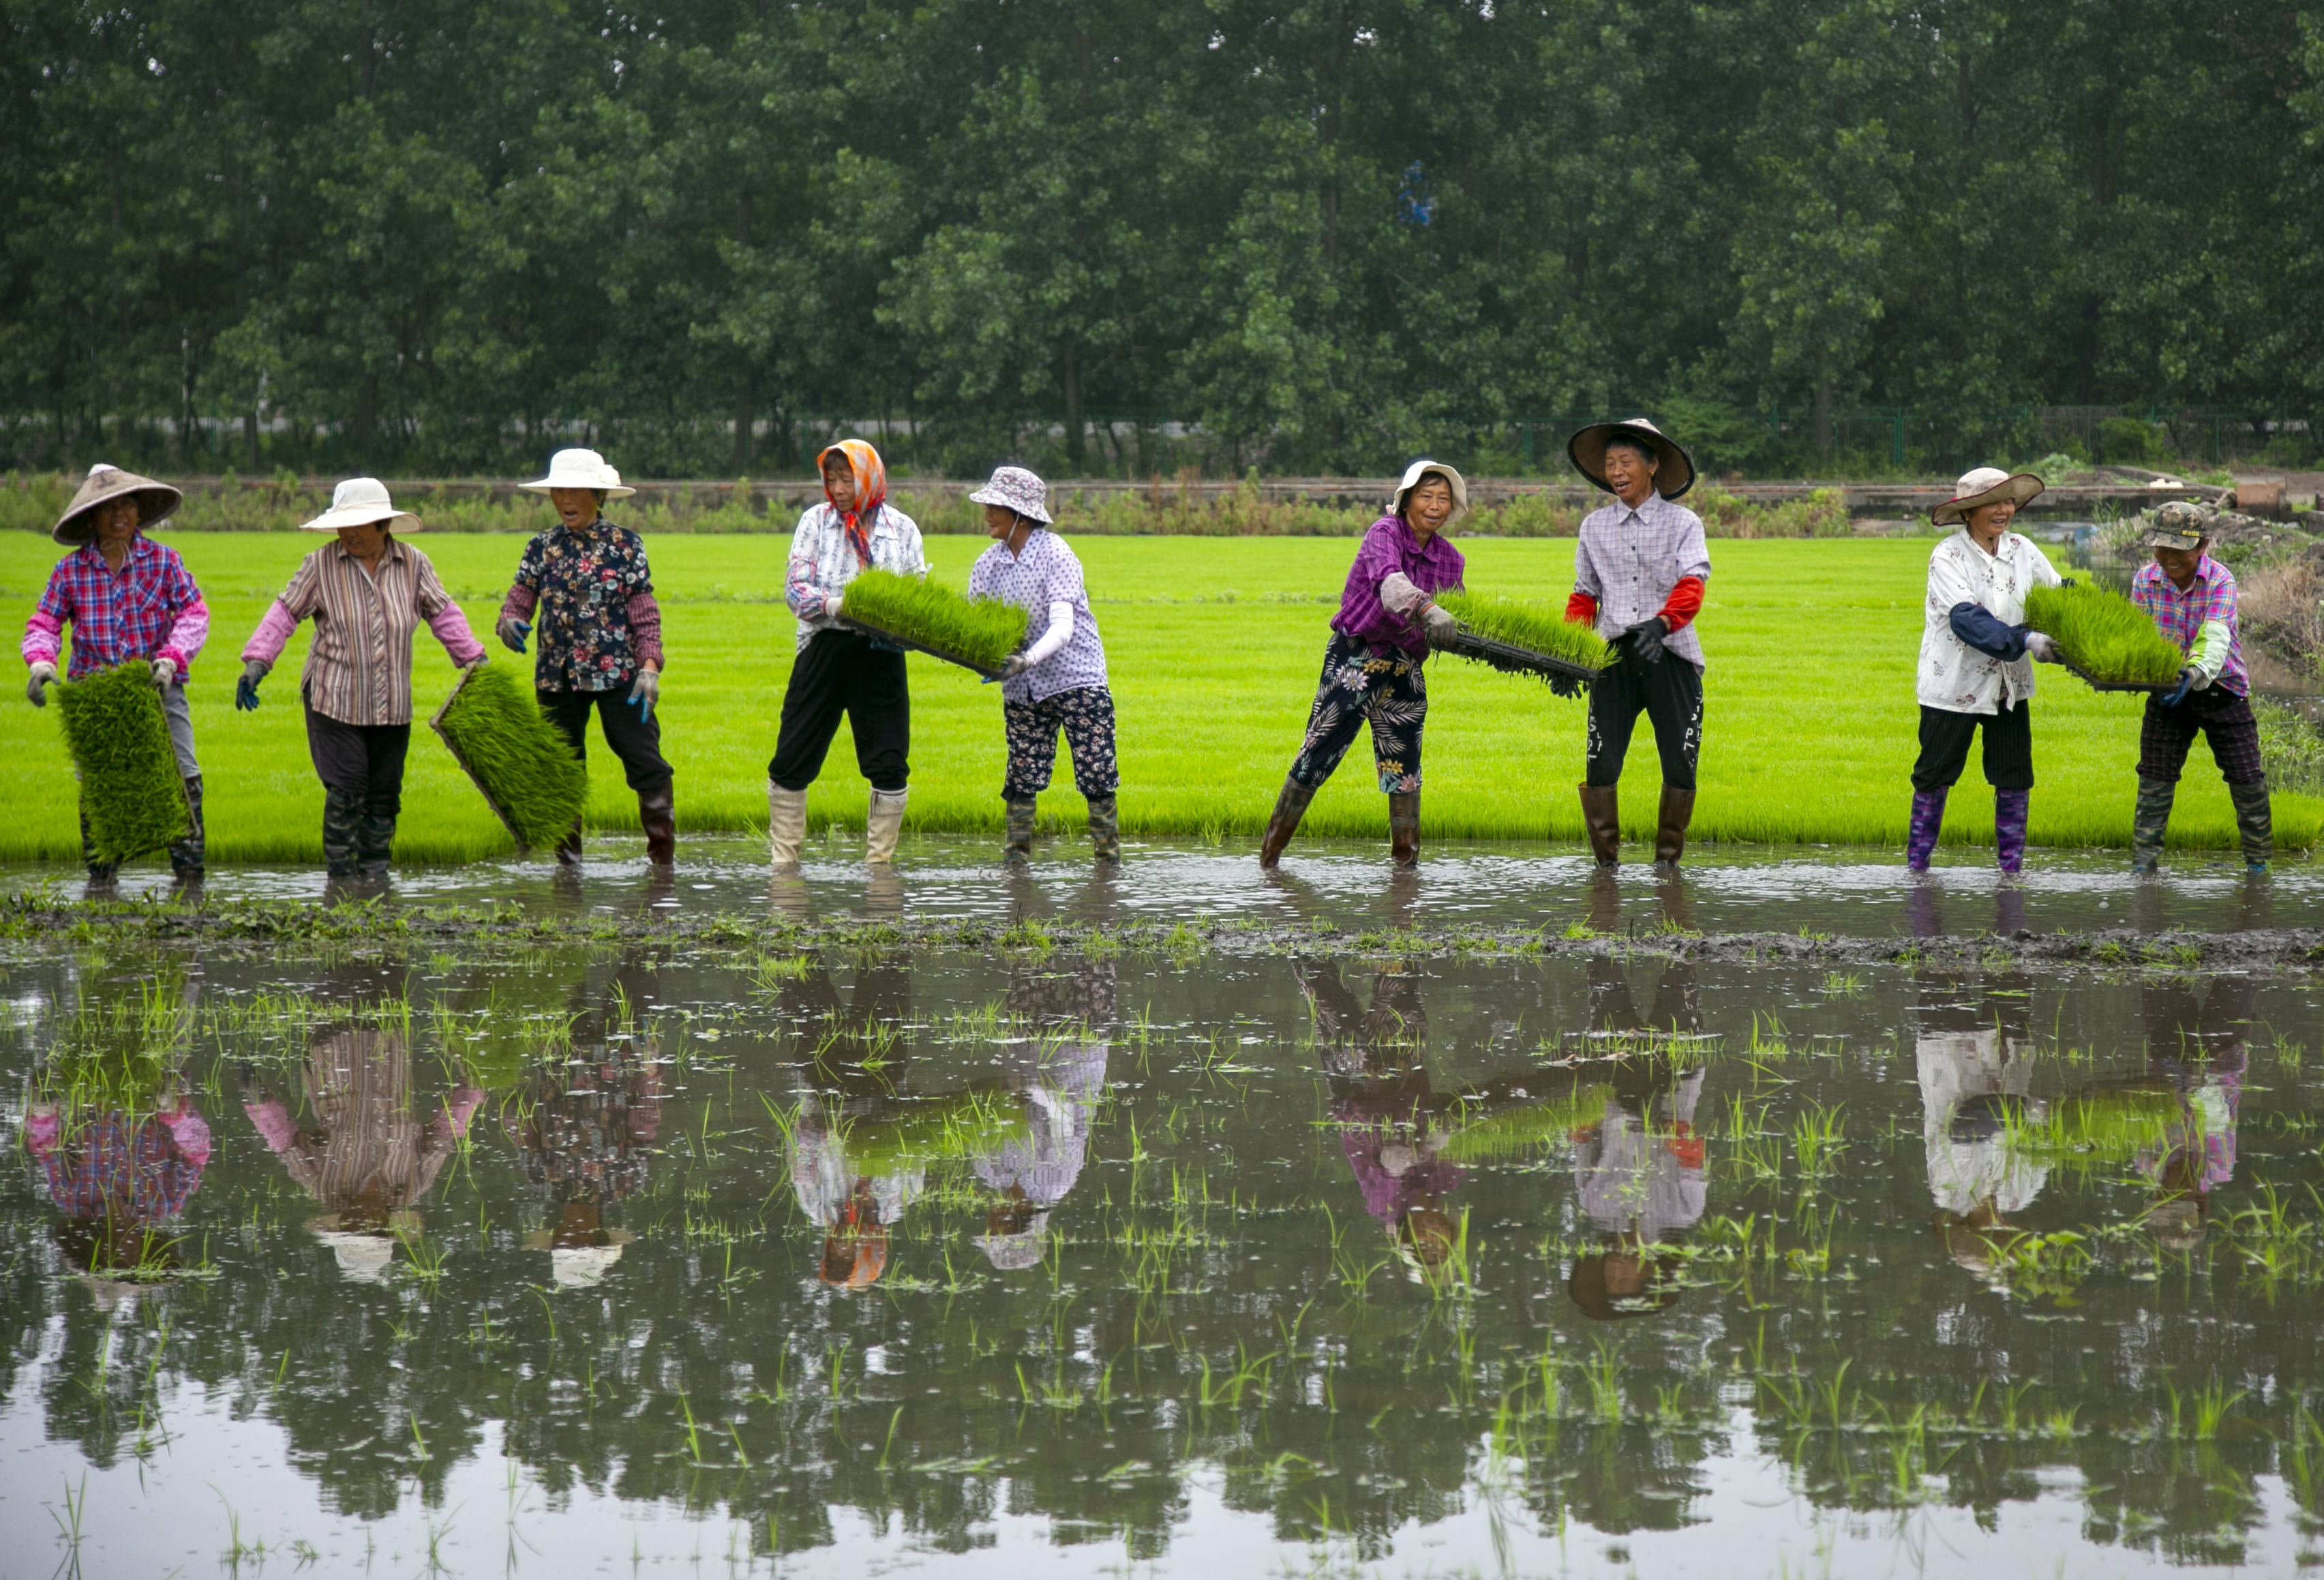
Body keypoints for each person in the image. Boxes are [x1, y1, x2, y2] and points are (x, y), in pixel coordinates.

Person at [235, 478, 487, 879]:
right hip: (334, 697)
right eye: (344, 524)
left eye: (361, 524)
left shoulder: (414, 564)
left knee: (385, 794)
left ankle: (374, 877)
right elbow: (284, 613)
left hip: (392, 702)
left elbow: (443, 614)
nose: (350, 533)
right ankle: (340, 877)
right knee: (349, 785)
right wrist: (257, 662)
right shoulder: (320, 565)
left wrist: (474, 659)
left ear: (384, 526)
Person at [1258, 460, 1467, 868]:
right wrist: (1428, 608)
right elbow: (1391, 585)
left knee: (1404, 769)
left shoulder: (1450, 559)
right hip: (1357, 658)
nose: (1435, 505)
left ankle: (1405, 871)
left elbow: (1456, 618)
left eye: (1444, 499)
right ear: (1407, 500)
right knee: (1318, 753)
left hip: (1405, 668)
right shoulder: (1383, 534)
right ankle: (1269, 860)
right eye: (1426, 496)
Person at [21, 464, 209, 883]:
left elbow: (194, 613)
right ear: (91, 517)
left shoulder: (163, 561)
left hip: (157, 685)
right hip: (95, 695)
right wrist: (40, 661)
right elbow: (44, 623)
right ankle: (101, 880)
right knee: (98, 786)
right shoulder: (69, 571)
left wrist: (171, 659)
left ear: (139, 512)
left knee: (184, 774)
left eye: (127, 504)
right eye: (107, 507)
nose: (119, 514)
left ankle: (190, 875)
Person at [497, 448, 675, 867]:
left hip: (620, 678)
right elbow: (520, 598)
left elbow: (644, 614)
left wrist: (649, 667)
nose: (566, 500)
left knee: (647, 763)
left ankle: (663, 864)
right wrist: (509, 621)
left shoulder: (625, 546)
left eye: (575, 490)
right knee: (561, 770)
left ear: (598, 495)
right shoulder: (541, 547)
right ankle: (568, 867)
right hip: (557, 678)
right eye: (558, 491)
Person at [768, 440, 927, 868]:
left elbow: (917, 595)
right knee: (792, 756)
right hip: (824, 648)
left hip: (881, 656)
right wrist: (834, 606)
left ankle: (879, 866)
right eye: (831, 478)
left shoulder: (902, 529)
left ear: (870, 477)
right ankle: (784, 863)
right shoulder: (815, 523)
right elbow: (795, 589)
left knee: (889, 760)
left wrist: (913, 628)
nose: (838, 488)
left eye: (847, 478)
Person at [1565, 419, 1710, 869]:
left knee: (1680, 766)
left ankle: (1667, 867)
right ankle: (1605, 870)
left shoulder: (1682, 524)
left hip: (1669, 655)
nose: (1616, 470)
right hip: (1612, 660)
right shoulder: (1593, 527)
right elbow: (1583, 596)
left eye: (1625, 461)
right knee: (1600, 765)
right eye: (1609, 463)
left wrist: (1661, 625)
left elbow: (1692, 580)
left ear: (1651, 465)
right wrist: (1567, 657)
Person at [241, 1015, 483, 1282]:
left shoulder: (321, 1186)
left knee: (338, 987)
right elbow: (443, 1133)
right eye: (372, 1229)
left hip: (333, 1050)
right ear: (386, 1226)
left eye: (353, 1228)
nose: (362, 1221)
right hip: (390, 1049)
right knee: (387, 987)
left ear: (342, 1223)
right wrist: (475, 1081)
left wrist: (255, 1095)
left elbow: (284, 1141)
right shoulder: (413, 1186)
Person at [1907, 467, 2064, 875]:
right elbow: (1966, 620)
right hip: (1953, 685)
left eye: (2009, 500)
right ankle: (1917, 869)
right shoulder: (1948, 556)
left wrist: (2094, 630)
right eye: (1993, 502)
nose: (2004, 509)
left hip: (2009, 688)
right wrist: (2026, 641)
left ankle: (2011, 873)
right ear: (1969, 511)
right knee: (1934, 776)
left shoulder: (2024, 550)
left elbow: (2060, 596)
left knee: (2014, 777)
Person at [965, 466, 1119, 864]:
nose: (986, 514)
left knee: (1096, 773)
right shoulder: (987, 566)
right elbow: (976, 629)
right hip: (1022, 689)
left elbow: (1063, 628)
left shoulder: (1056, 554)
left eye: (994, 506)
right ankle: (1016, 860)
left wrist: (1026, 659)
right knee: (1021, 776)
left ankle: (1108, 861)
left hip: (1076, 680)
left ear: (1020, 513)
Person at [2128, 501, 2272, 875]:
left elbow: (2215, 638)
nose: (2169, 558)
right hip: (2167, 695)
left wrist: (2192, 675)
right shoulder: (2145, 580)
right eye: (2162, 548)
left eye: (2181, 550)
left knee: (2247, 779)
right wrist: (2129, 671)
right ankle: (2143, 869)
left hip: (2222, 691)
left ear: (2203, 546)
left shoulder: (2220, 580)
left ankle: (2258, 868)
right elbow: (2135, 637)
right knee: (2154, 780)